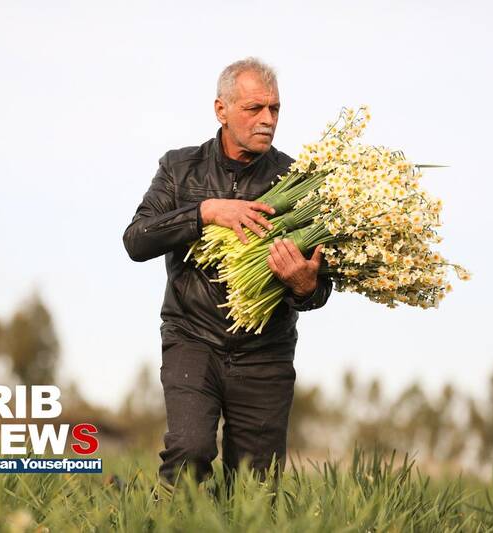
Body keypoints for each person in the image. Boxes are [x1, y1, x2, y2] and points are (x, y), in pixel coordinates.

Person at [122, 57, 332, 488]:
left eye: (275, 108)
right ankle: (168, 517)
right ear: (221, 110)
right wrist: (204, 212)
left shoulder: (300, 183)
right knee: (189, 451)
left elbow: (320, 287)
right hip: (192, 339)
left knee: (257, 488)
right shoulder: (179, 169)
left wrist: (304, 286)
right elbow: (136, 240)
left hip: (266, 352)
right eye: (254, 108)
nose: (267, 119)